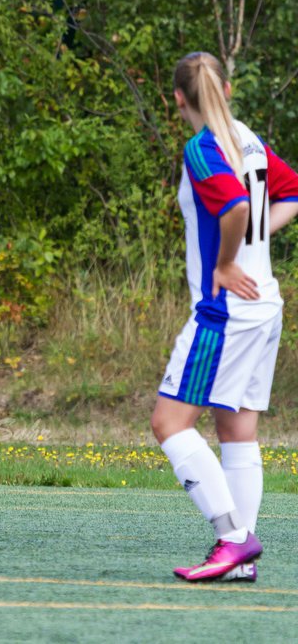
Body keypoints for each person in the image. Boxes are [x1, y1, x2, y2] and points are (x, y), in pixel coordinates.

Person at [150, 51, 298, 582]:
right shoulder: (249, 139)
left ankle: (234, 538)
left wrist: (228, 261)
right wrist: (257, 244)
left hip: (227, 312)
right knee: (236, 430)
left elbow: (236, 208)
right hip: (266, 306)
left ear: (178, 99)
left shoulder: (203, 146)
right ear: (228, 91)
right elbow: (293, 191)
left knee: (169, 423)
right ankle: (239, 560)